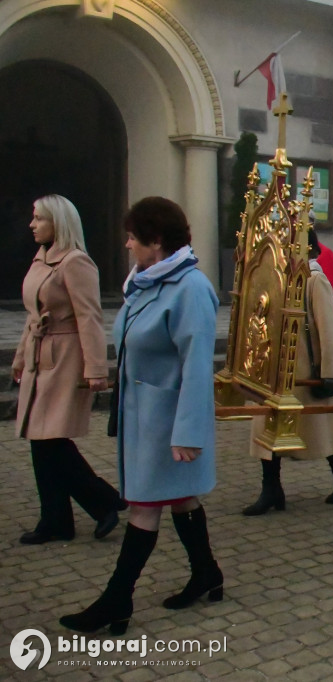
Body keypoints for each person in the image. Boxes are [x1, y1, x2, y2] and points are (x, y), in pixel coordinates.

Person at [60, 197, 221, 635]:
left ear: (156, 241)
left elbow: (196, 364)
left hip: (168, 421)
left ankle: (117, 599)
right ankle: (207, 573)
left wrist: (188, 432)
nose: (127, 244)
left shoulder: (189, 288)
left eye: (133, 237)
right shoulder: (146, 282)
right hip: (143, 418)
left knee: (144, 506)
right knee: (181, 497)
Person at [13, 195, 124, 545]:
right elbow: (33, 317)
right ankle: (56, 518)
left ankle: (103, 501)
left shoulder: (76, 262)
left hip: (64, 359)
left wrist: (95, 368)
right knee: (41, 441)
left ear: (58, 222)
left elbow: (90, 316)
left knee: (52, 442)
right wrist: (19, 357)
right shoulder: (41, 259)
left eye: (39, 218)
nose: (32, 224)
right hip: (38, 356)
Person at [242, 230, 333, 515]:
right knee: (266, 426)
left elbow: (327, 330)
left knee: (319, 430)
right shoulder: (275, 277)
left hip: (304, 369)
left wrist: (330, 373)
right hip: (273, 368)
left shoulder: (314, 279)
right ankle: (271, 489)